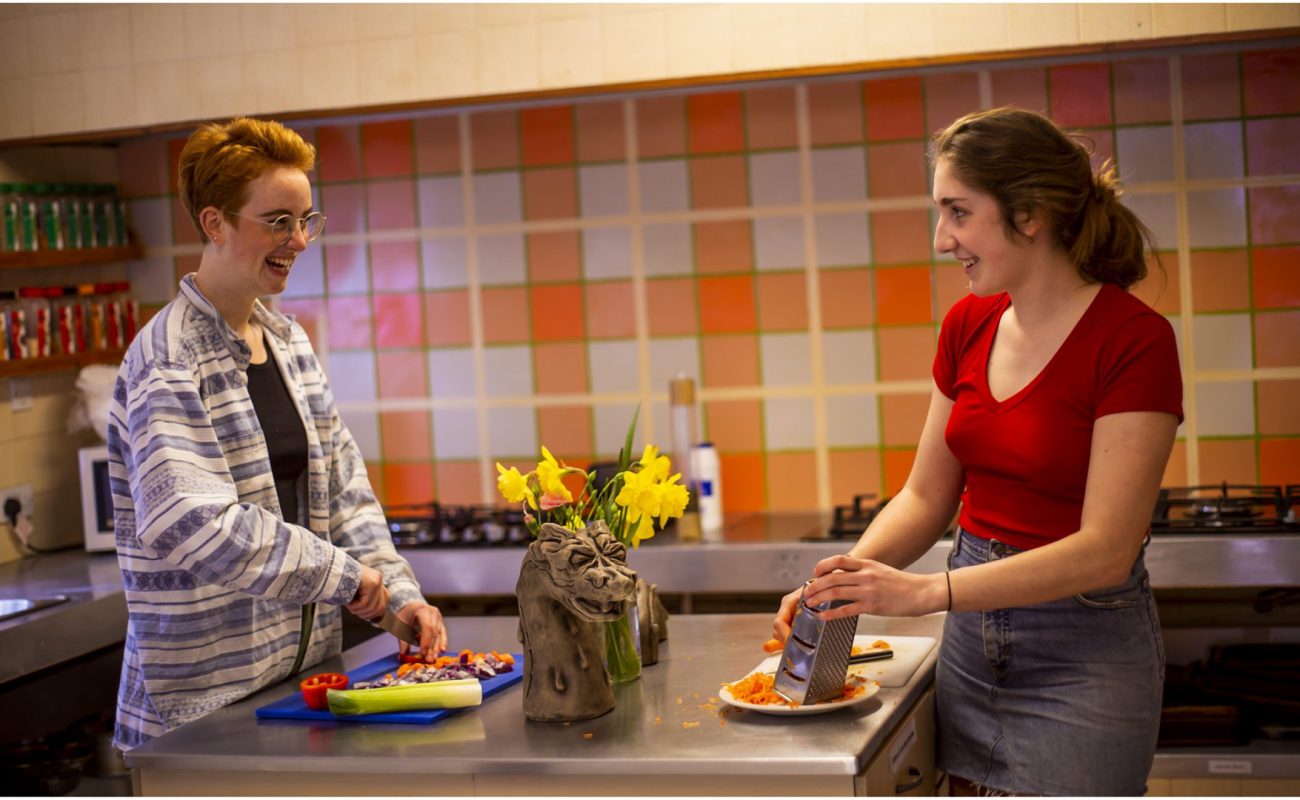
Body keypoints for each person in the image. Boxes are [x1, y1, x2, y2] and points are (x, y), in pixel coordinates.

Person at [772, 107, 1182, 796]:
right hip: (970, 646)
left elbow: (1107, 547)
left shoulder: (1134, 341)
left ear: (1030, 214)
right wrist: (841, 582)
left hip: (1084, 652)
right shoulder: (968, 324)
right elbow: (926, 497)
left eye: (958, 212)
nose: (942, 240)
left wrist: (928, 592)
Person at [107, 117, 448, 750]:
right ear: (215, 223)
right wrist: (344, 577)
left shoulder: (287, 341)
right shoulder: (168, 359)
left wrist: (397, 594)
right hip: (203, 712)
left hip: (298, 691)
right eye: (278, 221)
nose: (298, 240)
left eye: (306, 219)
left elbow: (343, 487)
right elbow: (192, 520)